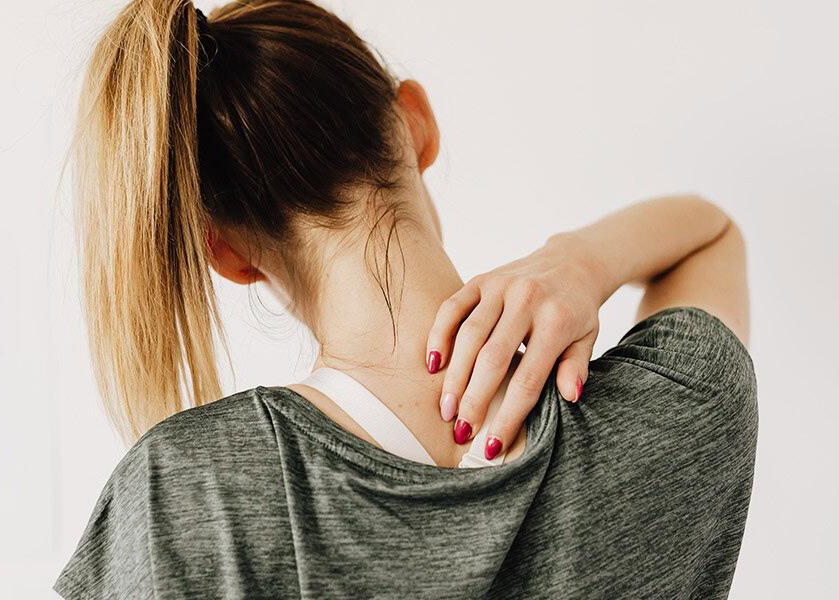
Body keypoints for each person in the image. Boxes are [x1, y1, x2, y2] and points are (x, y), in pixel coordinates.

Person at [54, 0, 758, 597]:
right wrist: (582, 260)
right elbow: (711, 233)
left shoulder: (191, 491)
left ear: (226, 253)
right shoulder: (675, 408)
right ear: (416, 121)